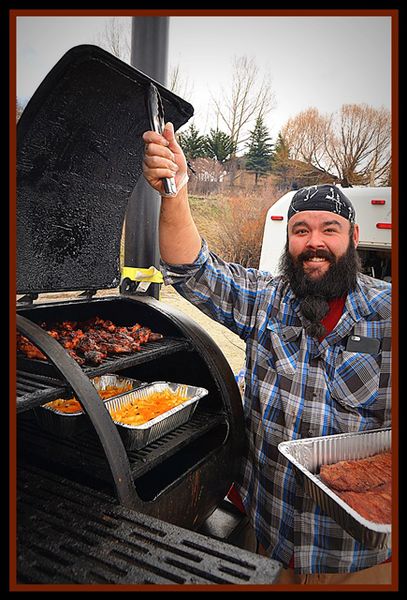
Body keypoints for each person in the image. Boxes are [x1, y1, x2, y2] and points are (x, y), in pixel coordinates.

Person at [142, 122, 392, 585]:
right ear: (288, 240)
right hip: (268, 543)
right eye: (301, 230)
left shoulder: (387, 315)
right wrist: (174, 193)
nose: (314, 242)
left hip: (356, 562)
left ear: (353, 237)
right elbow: (191, 269)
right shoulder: (266, 301)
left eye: (329, 229)